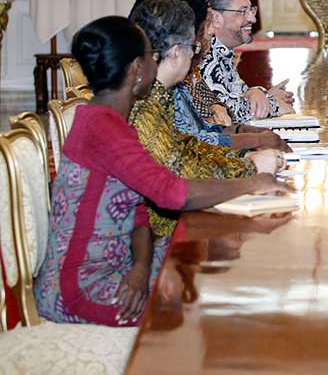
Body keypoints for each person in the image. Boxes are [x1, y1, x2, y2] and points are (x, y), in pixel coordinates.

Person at [34, 16, 290, 327]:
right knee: (200, 307)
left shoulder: (109, 120)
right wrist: (251, 183)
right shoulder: (104, 129)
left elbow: (138, 210)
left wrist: (141, 267)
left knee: (206, 268)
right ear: (136, 69)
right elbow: (173, 193)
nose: (156, 64)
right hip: (79, 287)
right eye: (151, 56)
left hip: (122, 265)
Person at [129, 0, 286, 238]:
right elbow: (180, 178)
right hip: (159, 238)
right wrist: (250, 171)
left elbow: (190, 148)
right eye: (193, 47)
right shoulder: (143, 105)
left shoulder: (160, 95)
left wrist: (246, 161)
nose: (195, 55)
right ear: (174, 53)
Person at [131, 0, 285, 151]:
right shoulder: (144, 99)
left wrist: (245, 131)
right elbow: (184, 158)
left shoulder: (171, 85)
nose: (199, 45)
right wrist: (250, 163)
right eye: (193, 44)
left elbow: (205, 129)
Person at [199, 0, 295, 122]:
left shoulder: (223, 51)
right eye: (243, 11)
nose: (252, 18)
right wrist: (273, 105)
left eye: (251, 10)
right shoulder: (204, 54)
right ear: (216, 18)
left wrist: (264, 95)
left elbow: (239, 94)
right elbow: (223, 111)